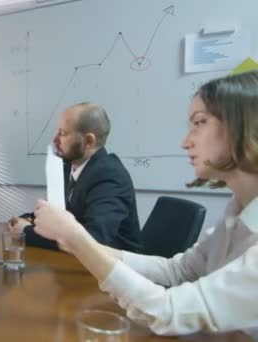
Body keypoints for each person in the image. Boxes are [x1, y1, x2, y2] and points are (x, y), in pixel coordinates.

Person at [32, 71, 258, 338]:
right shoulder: (237, 211)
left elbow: (168, 313)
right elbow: (179, 271)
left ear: (244, 127)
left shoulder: (105, 172)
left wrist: (75, 238)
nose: (186, 142)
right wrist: (81, 242)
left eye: (199, 123)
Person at [9, 102, 142, 252]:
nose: (54, 140)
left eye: (63, 134)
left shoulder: (110, 176)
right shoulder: (69, 165)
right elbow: (60, 216)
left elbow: (93, 239)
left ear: (89, 141)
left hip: (112, 270)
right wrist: (29, 219)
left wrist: (26, 232)